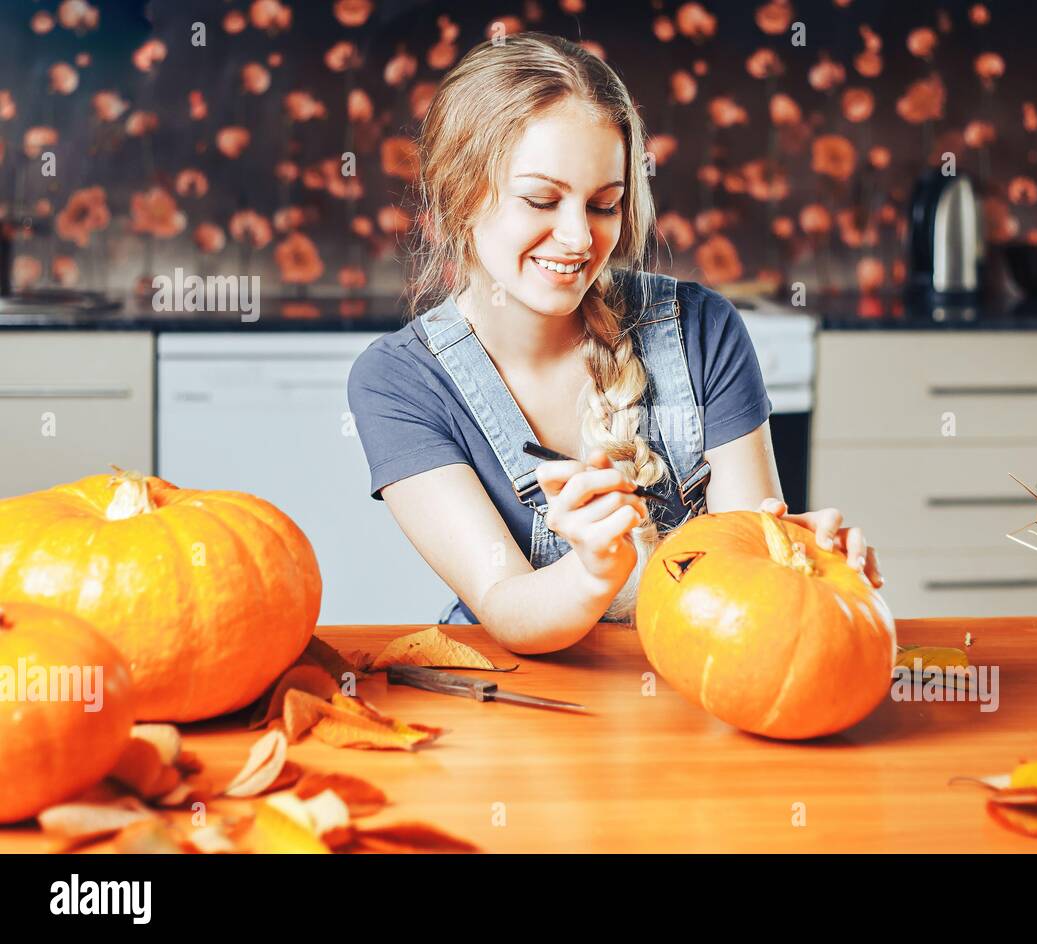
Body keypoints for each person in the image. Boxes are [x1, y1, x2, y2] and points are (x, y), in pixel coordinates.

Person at [348, 32, 880, 655]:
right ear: (456, 198)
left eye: (604, 204)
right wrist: (592, 573)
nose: (578, 238)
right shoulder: (399, 382)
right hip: (514, 706)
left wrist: (804, 568)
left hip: (696, 682)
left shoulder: (702, 329)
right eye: (541, 199)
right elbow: (505, 604)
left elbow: (748, 561)